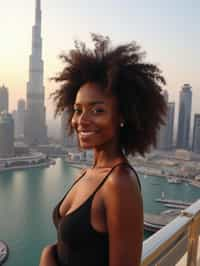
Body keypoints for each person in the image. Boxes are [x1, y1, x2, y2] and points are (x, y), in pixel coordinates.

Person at [39, 34, 167, 266]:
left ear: (122, 116)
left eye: (97, 110)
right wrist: (49, 254)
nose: (82, 120)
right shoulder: (88, 173)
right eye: (78, 110)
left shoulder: (119, 182)